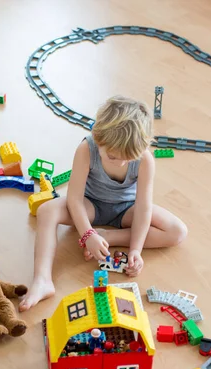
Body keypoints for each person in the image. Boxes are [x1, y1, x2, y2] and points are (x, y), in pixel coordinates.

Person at [19, 96, 188, 312]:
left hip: (126, 209)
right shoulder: (86, 149)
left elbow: (144, 208)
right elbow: (74, 199)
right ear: (98, 138)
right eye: (113, 157)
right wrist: (88, 235)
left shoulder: (145, 160)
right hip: (90, 205)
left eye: (129, 158)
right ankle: (42, 280)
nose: (122, 162)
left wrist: (136, 249)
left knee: (178, 231)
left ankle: (110, 237)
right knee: (46, 211)